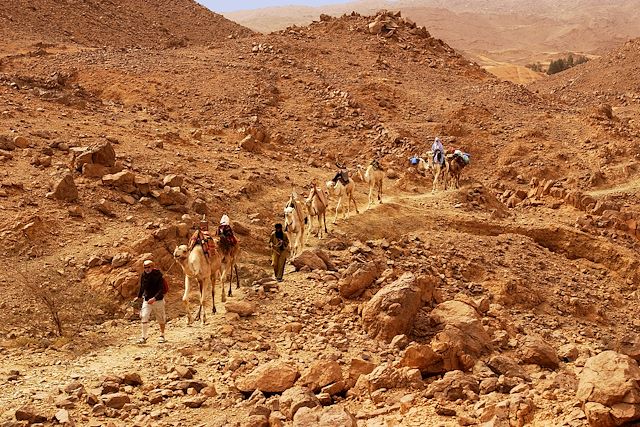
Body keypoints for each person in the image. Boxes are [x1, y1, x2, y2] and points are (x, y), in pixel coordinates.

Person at [132, 260, 166, 344]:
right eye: (145, 267)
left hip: (158, 300)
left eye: (148, 267)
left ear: (152, 267)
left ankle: (162, 335)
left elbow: (161, 289)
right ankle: (144, 337)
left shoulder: (158, 275)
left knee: (161, 318)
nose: (147, 269)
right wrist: (139, 297)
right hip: (147, 300)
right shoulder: (144, 275)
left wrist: (154, 298)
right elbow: (142, 287)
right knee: (144, 316)